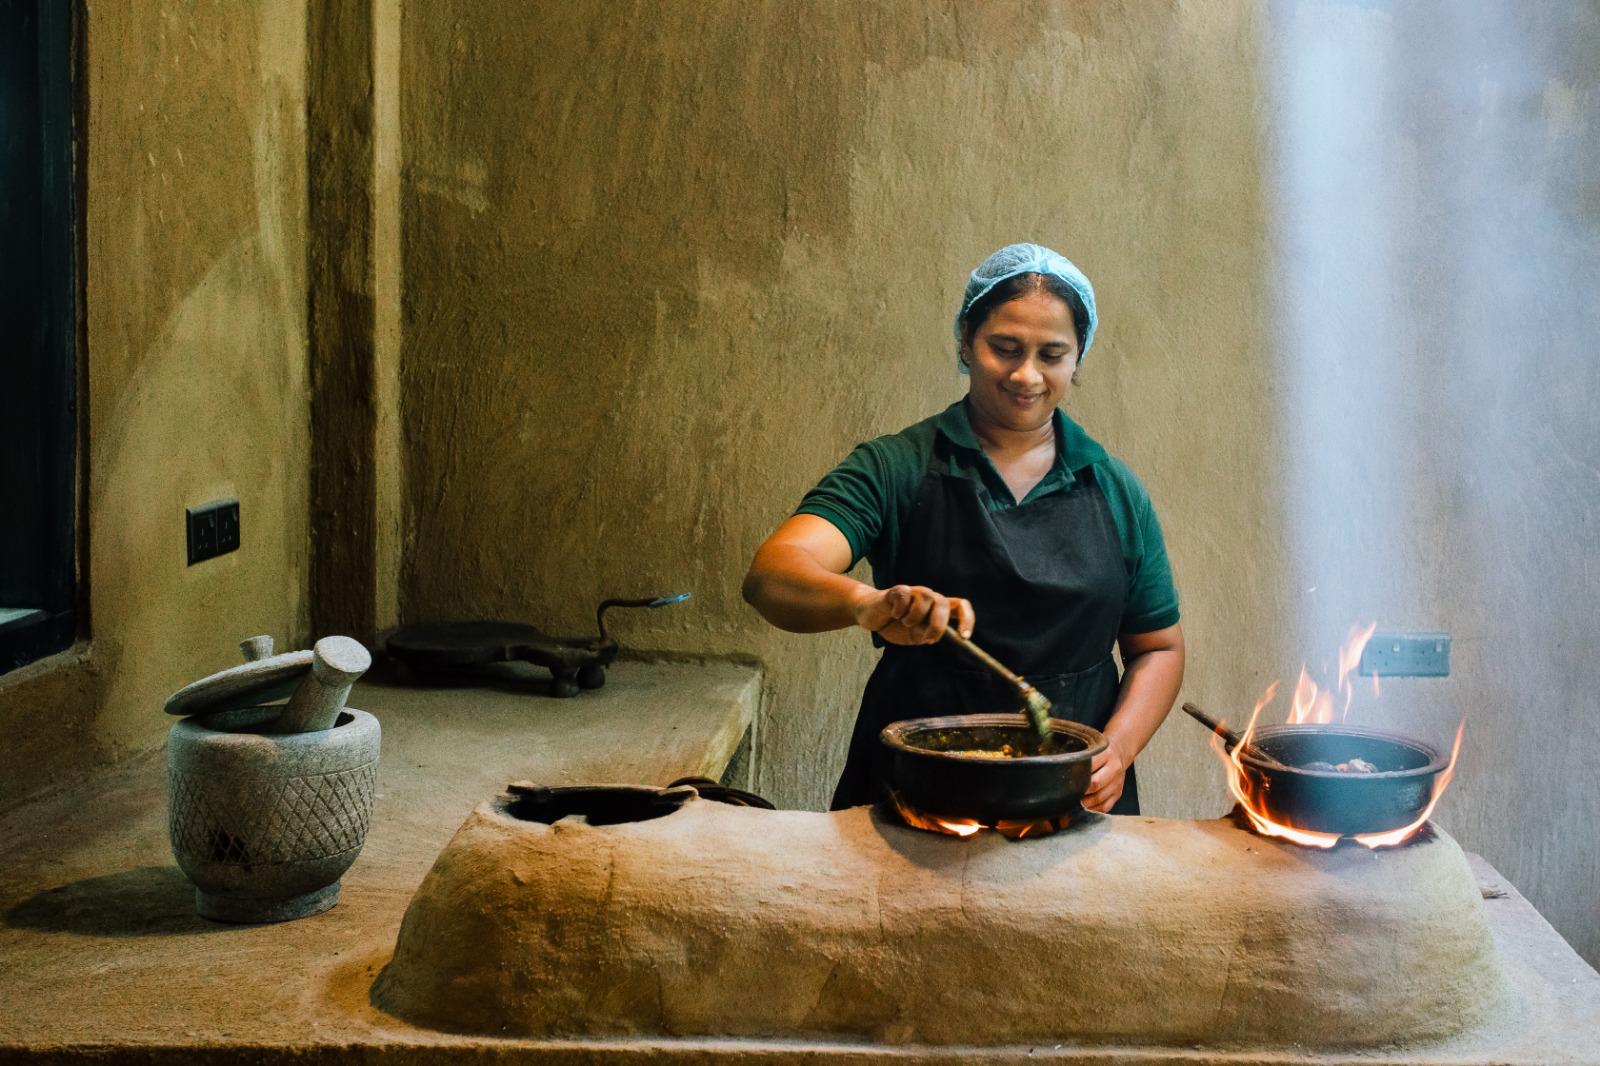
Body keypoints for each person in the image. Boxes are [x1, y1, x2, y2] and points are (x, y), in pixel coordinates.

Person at [742, 243, 1184, 814]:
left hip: (1072, 798)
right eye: (1005, 348)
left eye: (1052, 354)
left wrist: (1117, 751)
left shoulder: (1115, 489)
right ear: (966, 344)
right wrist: (866, 604)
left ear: (1077, 360)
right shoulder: (895, 466)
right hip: (918, 796)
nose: (1027, 375)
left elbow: (1159, 647)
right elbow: (773, 575)